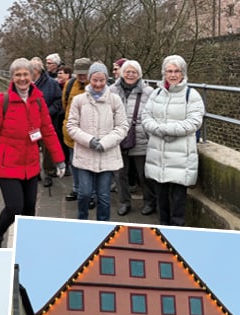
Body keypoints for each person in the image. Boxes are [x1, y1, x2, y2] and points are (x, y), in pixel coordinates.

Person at [0, 57, 65, 248]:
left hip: (30, 163)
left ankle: (26, 243)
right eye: (18, 75)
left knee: (30, 207)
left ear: (32, 76)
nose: (22, 78)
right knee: (14, 207)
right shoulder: (1, 101)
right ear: (12, 77)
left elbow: (48, 131)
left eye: (26, 74)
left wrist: (59, 160)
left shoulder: (38, 100)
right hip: (6, 163)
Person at [142, 54, 205, 226]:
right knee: (162, 199)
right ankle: (163, 229)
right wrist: (159, 129)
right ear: (164, 73)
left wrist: (166, 129)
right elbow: (145, 117)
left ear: (183, 73)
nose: (173, 75)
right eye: (169, 71)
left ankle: (177, 232)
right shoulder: (156, 94)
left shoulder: (191, 95)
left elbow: (194, 122)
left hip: (180, 156)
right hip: (159, 155)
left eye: (177, 71)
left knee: (178, 201)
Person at [66, 62, 129, 221]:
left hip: (106, 155)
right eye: (95, 80)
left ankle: (103, 224)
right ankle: (82, 220)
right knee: (84, 193)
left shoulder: (115, 100)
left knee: (103, 195)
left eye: (102, 80)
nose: (98, 84)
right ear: (90, 79)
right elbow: (71, 126)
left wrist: (105, 142)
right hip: (85, 154)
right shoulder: (79, 100)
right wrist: (89, 140)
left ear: (106, 80)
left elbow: (122, 126)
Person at [110, 60, 155, 216]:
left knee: (143, 174)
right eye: (127, 71)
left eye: (134, 72)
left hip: (140, 137)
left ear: (139, 74)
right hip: (118, 137)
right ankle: (124, 202)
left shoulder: (148, 92)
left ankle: (149, 201)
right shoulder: (112, 90)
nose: (130, 74)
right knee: (120, 174)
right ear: (122, 73)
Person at [62, 57, 93, 204]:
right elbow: (65, 104)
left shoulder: (96, 85)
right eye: (79, 73)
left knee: (89, 166)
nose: (82, 76)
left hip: (88, 134)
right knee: (74, 163)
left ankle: (90, 194)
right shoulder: (69, 85)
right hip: (72, 133)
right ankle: (76, 188)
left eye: (84, 73)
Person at [30, 57, 64, 188]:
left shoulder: (51, 83)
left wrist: (47, 113)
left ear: (37, 70)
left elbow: (58, 101)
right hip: (32, 123)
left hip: (47, 122)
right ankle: (35, 172)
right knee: (33, 148)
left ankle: (49, 172)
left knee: (47, 149)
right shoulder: (27, 83)